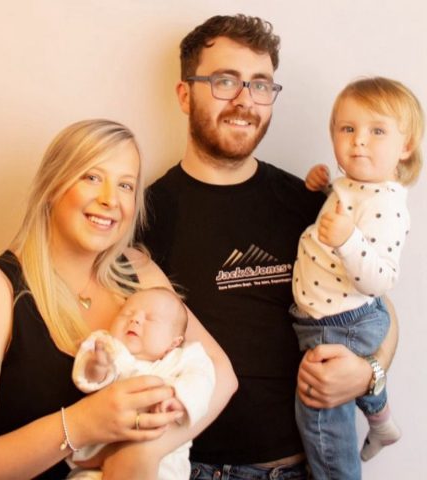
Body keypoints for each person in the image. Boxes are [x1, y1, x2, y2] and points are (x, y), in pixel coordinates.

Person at [139, 14, 399, 480]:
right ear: (185, 94)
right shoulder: (143, 217)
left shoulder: (312, 204)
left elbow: (380, 310)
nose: (245, 100)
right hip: (190, 468)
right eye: (225, 81)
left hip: (302, 467)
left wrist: (369, 374)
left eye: (260, 85)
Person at [0, 119, 237, 479]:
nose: (110, 200)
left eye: (126, 185)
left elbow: (222, 374)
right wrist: (82, 424)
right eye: (92, 177)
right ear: (53, 184)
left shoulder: (139, 271)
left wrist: (143, 452)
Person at [291, 77, 424, 479]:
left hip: (341, 323)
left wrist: (348, 240)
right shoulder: (358, 186)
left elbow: (380, 280)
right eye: (347, 128)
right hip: (331, 316)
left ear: (405, 146)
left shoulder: (389, 205)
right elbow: (347, 208)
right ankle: (382, 423)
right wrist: (323, 188)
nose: (359, 141)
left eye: (377, 131)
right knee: (341, 387)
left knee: (319, 412)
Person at [68, 286, 215, 480]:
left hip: (163, 463)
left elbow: (203, 379)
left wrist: (179, 398)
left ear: (174, 342)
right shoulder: (108, 347)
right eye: (127, 314)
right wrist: (96, 367)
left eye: (151, 318)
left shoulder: (185, 358)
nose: (135, 319)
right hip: (97, 460)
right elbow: (86, 379)